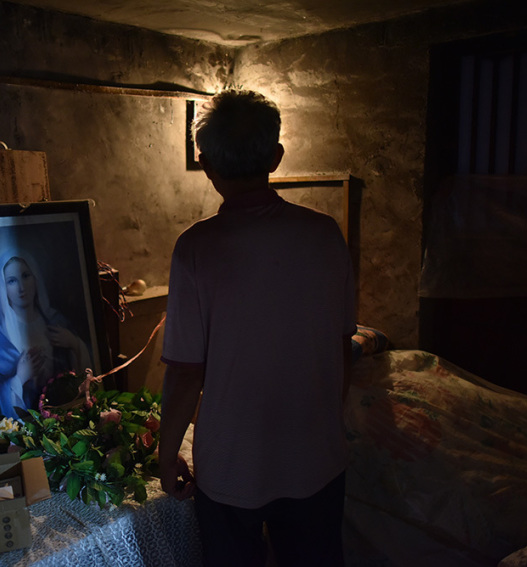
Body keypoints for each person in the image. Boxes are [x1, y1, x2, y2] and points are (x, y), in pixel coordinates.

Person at [158, 90, 356, 566]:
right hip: (316, 455)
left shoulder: (195, 249)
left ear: (205, 165)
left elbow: (187, 372)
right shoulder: (325, 233)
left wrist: (166, 455)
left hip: (231, 464)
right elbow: (341, 344)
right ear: (276, 156)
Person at [0, 250, 92, 432]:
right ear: (3, 288)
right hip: (25, 432)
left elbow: (86, 377)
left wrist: (75, 344)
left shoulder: (56, 322)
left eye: (26, 276)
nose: (21, 287)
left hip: (65, 424)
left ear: (36, 278)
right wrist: (18, 379)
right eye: (12, 281)